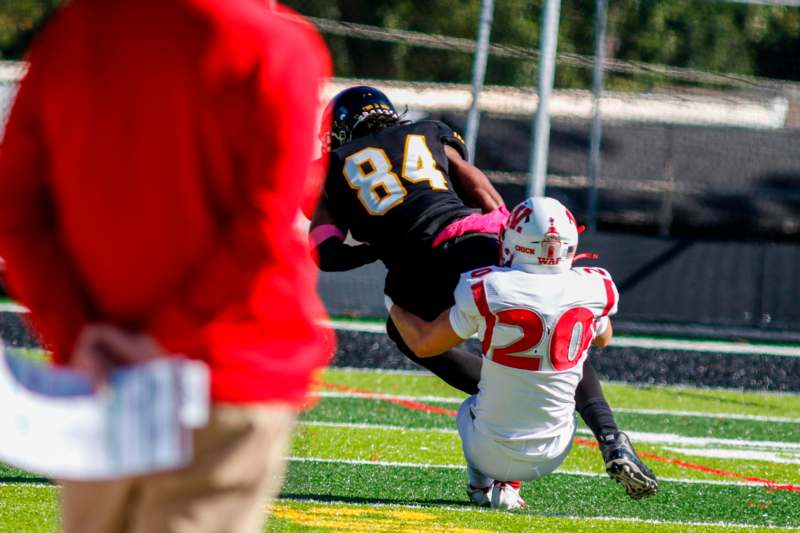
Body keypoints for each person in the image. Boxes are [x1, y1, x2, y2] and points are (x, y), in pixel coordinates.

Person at [0, 1, 332, 532]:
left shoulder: (74, 32)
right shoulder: (275, 46)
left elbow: (16, 209)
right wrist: (164, 339)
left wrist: (79, 333)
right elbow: (266, 225)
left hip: (100, 376)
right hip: (225, 373)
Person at [311, 86, 658, 499]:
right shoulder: (425, 131)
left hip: (423, 267)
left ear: (336, 131)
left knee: (407, 333)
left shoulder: (327, 167)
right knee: (559, 324)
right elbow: (471, 181)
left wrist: (390, 243)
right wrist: (504, 224)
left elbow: (326, 254)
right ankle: (609, 434)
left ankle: (499, 400)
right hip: (479, 234)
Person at [388, 197, 658, 508]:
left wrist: (393, 303)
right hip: (554, 452)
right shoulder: (596, 286)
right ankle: (609, 438)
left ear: (515, 242)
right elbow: (603, 338)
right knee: (574, 355)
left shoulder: (487, 285)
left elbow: (426, 344)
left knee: (473, 405)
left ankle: (480, 485)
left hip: (487, 447)